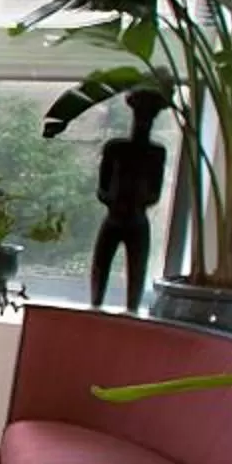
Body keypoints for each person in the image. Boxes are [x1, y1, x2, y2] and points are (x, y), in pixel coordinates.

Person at [91, 86, 170, 311]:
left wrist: (138, 203)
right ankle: (95, 305)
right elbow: (103, 184)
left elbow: (156, 190)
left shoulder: (156, 153)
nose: (144, 120)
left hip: (136, 218)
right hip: (114, 216)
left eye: (149, 115)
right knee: (100, 264)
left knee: (137, 268)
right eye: (141, 114)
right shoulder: (115, 148)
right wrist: (113, 201)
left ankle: (132, 309)